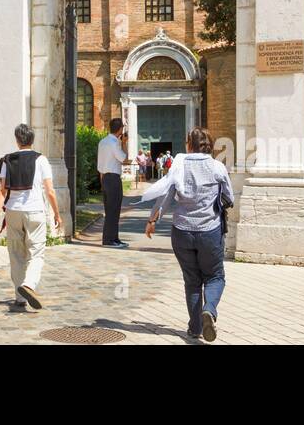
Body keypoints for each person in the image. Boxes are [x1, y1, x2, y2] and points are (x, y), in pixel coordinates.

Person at [145, 127, 233, 343]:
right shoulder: (217, 167)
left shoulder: (179, 165)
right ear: (209, 144)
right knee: (214, 276)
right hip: (209, 231)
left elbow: (166, 194)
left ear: (189, 144)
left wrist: (152, 220)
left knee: (192, 280)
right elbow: (229, 197)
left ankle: (195, 328)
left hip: (182, 232)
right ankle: (209, 310)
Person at [0, 122, 63, 310]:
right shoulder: (41, 160)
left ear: (17, 140)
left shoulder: (7, 160)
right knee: (36, 252)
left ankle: (20, 298)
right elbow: (50, 190)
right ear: (32, 140)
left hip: (13, 211)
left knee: (16, 254)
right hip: (35, 211)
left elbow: (1, 190)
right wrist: (57, 213)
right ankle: (29, 285)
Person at [97, 117, 128, 248]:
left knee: (110, 209)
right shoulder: (114, 142)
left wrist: (102, 181)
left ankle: (113, 238)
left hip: (105, 177)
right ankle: (109, 240)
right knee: (114, 210)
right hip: (113, 178)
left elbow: (100, 165)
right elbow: (124, 158)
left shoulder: (102, 142)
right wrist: (124, 143)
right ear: (120, 129)